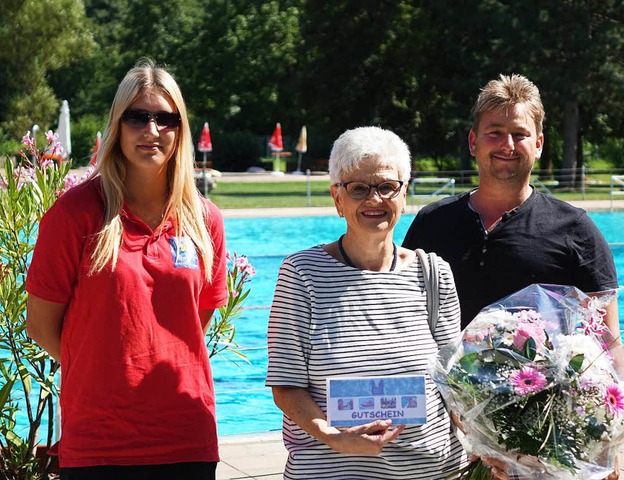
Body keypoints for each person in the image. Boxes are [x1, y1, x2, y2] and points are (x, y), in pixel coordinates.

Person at [26, 59, 229, 480]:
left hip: (186, 435)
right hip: (100, 442)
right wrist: (105, 370)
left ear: (180, 128)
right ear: (118, 125)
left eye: (165, 119)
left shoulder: (204, 219)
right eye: (138, 117)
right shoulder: (75, 215)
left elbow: (197, 318)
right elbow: (41, 325)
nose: (151, 130)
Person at [266, 126, 473, 479]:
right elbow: (287, 386)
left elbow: (454, 382)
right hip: (332, 471)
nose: (374, 200)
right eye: (358, 188)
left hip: (431, 471)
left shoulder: (432, 272)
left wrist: (492, 444)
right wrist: (334, 436)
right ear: (337, 198)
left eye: (386, 187)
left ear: (404, 193)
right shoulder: (302, 274)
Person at [403, 74, 620, 340]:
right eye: (495, 133)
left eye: (519, 135)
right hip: (442, 382)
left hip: (537, 381)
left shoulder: (576, 230)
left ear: (538, 145)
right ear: (473, 142)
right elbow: (402, 318)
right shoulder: (432, 222)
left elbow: (607, 343)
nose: (507, 145)